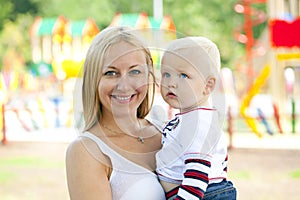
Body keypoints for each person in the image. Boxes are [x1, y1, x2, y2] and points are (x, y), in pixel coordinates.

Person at [66, 26, 166, 200]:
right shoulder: (86, 151)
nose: (124, 86)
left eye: (135, 71)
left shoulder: (168, 132)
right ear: (93, 80)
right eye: (111, 73)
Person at [156, 36, 237, 200]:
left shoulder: (198, 123)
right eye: (166, 74)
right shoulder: (190, 118)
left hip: (198, 194)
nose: (171, 83)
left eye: (183, 75)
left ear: (208, 86)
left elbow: (197, 175)